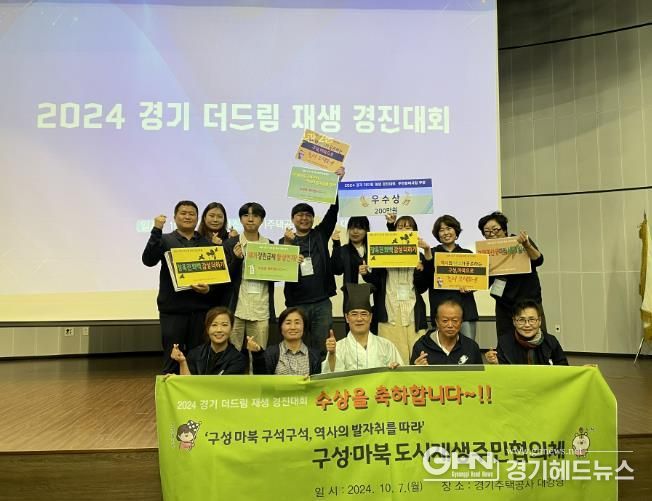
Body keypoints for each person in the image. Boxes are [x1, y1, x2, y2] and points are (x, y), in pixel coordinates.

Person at [142, 200, 214, 374]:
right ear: (175, 217)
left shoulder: (207, 242)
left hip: (200, 310)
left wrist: (209, 289)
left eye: (192, 214)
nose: (187, 217)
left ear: (198, 218)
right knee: (172, 356)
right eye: (183, 213)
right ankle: (171, 390)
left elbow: (215, 276)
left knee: (198, 357)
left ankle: (197, 390)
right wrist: (156, 230)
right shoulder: (165, 239)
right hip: (173, 310)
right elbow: (148, 260)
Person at [283, 166, 345, 356]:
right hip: (296, 303)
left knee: (321, 347)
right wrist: (287, 246)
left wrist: (337, 183)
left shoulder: (320, 234)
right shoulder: (285, 241)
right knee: (296, 347)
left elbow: (333, 211)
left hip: (321, 302)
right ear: (293, 219)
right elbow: (278, 272)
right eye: (300, 215)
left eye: (308, 215)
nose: (304, 218)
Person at [361, 215, 430, 364]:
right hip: (389, 312)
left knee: (417, 355)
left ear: (414, 232)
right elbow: (376, 281)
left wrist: (419, 271)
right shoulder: (383, 253)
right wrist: (365, 273)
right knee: (391, 358)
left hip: (412, 313)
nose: (403, 231)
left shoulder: (419, 256)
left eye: (408, 228)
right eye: (400, 227)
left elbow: (423, 287)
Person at [478, 211, 545, 338]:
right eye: (487, 231)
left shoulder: (519, 241)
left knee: (535, 339)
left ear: (504, 229)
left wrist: (527, 245)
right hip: (504, 304)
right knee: (505, 339)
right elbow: (486, 282)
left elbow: (539, 260)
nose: (492, 234)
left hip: (529, 301)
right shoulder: (486, 252)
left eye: (495, 229)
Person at [223, 202, 275, 354]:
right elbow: (224, 277)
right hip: (236, 309)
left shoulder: (270, 245)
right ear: (240, 219)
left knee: (258, 353)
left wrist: (290, 264)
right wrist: (236, 259)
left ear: (262, 220)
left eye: (255, 216)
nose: (250, 219)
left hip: (260, 308)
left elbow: (277, 276)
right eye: (246, 215)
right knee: (232, 353)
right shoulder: (230, 244)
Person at [322, 284, 403, 373]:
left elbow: (400, 375)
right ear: (347, 318)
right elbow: (330, 376)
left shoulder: (386, 346)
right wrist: (332, 354)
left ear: (370, 317)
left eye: (364, 314)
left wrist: (395, 369)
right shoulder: (339, 348)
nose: (359, 319)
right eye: (354, 314)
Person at [424, 215, 479, 340]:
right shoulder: (431, 253)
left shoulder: (467, 254)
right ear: (437, 234)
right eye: (441, 230)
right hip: (441, 311)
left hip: (466, 311)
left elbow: (477, 282)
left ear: (456, 231)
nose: (446, 233)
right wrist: (427, 258)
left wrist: (471, 287)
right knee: (441, 349)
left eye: (449, 228)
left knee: (468, 347)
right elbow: (425, 280)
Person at [331, 216, 379, 333]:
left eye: (359, 228)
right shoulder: (344, 250)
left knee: (374, 335)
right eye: (352, 228)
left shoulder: (374, 249)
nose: (355, 231)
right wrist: (336, 245)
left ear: (366, 230)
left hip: (373, 301)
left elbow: (379, 278)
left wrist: (367, 274)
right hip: (351, 301)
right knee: (352, 334)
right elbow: (336, 270)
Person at [485, 300, 568, 365]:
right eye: (521, 320)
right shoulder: (505, 342)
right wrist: (496, 363)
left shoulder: (550, 341)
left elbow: (564, 368)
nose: (527, 325)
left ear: (539, 321)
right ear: (514, 322)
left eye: (532, 320)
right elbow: (502, 373)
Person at [170, 307, 247, 375]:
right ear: (207, 329)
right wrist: (182, 362)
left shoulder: (238, 359)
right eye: (214, 325)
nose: (219, 330)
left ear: (231, 328)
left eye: (224, 325)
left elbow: (224, 385)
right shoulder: (195, 354)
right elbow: (187, 383)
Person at [246, 307, 321, 375]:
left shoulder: (314, 355)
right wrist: (257, 354)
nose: (293, 327)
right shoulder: (271, 353)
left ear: (304, 327)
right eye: (288, 323)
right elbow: (262, 379)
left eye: (297, 323)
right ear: (281, 328)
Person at [411, 299, 483, 365]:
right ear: (437, 322)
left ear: (461, 322)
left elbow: (480, 374)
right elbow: (411, 374)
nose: (450, 325)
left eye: (455, 321)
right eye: (445, 321)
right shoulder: (421, 346)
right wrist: (416, 370)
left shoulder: (471, 347)